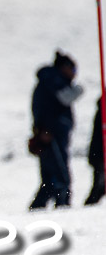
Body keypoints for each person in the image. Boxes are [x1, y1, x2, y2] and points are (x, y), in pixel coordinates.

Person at [29, 51, 84, 210]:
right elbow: (64, 98)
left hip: (49, 133)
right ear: (64, 67)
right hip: (51, 134)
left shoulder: (49, 80)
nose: (74, 75)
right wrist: (78, 90)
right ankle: (63, 208)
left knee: (49, 179)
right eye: (73, 70)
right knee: (61, 177)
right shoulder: (53, 80)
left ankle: (37, 209)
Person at [85, 97, 105, 205]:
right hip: (100, 154)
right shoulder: (103, 107)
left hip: (99, 154)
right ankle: (90, 205)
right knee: (100, 186)